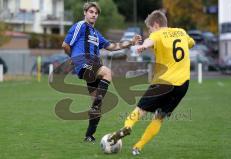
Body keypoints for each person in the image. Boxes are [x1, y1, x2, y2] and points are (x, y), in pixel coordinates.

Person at [108, 10, 195, 155]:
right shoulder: (181, 32)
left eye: (149, 28)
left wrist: (143, 46)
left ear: (156, 24)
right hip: (183, 85)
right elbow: (192, 43)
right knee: (159, 118)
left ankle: (128, 126)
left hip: (164, 82)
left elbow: (151, 40)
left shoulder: (157, 34)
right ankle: (138, 147)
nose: (149, 32)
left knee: (140, 110)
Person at [62, 2, 141, 142]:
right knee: (107, 72)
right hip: (85, 65)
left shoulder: (96, 34)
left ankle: (89, 136)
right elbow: (65, 45)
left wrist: (131, 43)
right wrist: (75, 59)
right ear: (85, 13)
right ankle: (96, 105)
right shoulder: (80, 26)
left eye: (96, 13)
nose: (93, 14)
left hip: (93, 67)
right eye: (91, 12)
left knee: (97, 107)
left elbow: (111, 46)